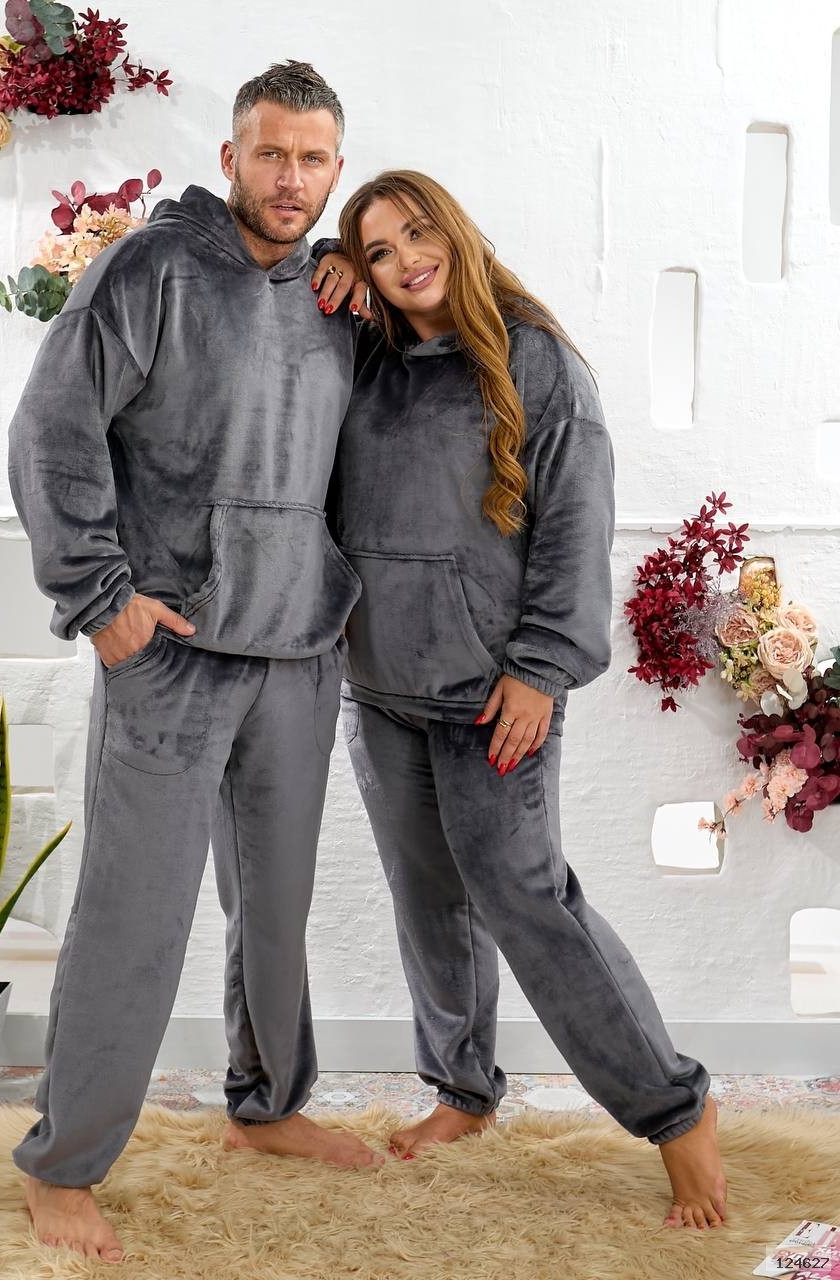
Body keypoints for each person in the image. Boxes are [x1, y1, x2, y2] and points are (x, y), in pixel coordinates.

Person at [6, 62, 378, 1265]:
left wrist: (353, 272)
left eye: (312, 159)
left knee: (274, 904)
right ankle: (63, 1161)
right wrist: (96, 596)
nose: (290, 178)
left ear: (336, 169)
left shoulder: (336, 295)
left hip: (299, 648)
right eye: (271, 153)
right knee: (135, 914)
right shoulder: (151, 269)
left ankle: (266, 1106)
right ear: (230, 158)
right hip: (168, 650)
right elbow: (51, 426)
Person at [311, 170, 729, 1232]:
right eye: (377, 250)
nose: (405, 259)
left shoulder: (537, 360)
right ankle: (463, 1090)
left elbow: (576, 527)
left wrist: (541, 668)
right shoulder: (366, 357)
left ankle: (678, 1111)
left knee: (528, 903)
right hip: (379, 690)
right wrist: (325, 260)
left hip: (493, 692)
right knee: (427, 901)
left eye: (418, 233)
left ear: (455, 232)